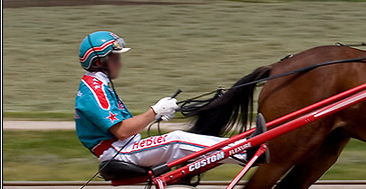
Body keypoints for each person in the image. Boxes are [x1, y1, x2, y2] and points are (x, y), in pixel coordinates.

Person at [75, 31, 263, 171]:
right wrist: (154, 111)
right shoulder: (94, 90)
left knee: (178, 140)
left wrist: (156, 114)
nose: (120, 63)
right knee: (176, 139)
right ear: (99, 62)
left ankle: (241, 147)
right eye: (115, 58)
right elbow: (123, 130)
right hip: (119, 153)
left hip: (124, 148)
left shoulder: (99, 85)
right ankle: (244, 152)